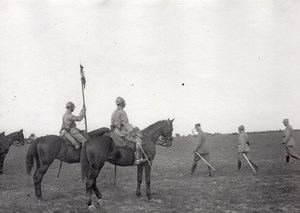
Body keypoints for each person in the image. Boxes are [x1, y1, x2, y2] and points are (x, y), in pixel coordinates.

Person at [111, 97, 146, 165]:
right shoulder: (122, 112)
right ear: (121, 103)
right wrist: (131, 131)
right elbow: (126, 123)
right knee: (139, 140)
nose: (125, 104)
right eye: (124, 102)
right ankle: (138, 159)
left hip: (115, 131)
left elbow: (113, 123)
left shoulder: (114, 112)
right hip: (121, 132)